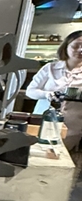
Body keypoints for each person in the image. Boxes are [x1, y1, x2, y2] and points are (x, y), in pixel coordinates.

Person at [26, 30, 82, 159]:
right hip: (42, 121)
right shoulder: (50, 68)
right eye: (75, 46)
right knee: (37, 156)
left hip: (73, 127)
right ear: (66, 46)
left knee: (63, 159)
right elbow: (31, 91)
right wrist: (47, 94)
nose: (80, 50)